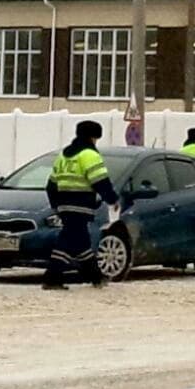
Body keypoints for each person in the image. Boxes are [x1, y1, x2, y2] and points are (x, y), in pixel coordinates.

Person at [43, 120, 120, 290]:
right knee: (67, 240)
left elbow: (51, 185)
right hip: (81, 204)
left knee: (81, 241)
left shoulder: (63, 156)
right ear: (93, 137)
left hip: (63, 205)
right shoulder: (89, 155)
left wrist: (56, 206)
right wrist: (112, 199)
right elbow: (101, 181)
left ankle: (95, 277)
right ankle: (52, 278)